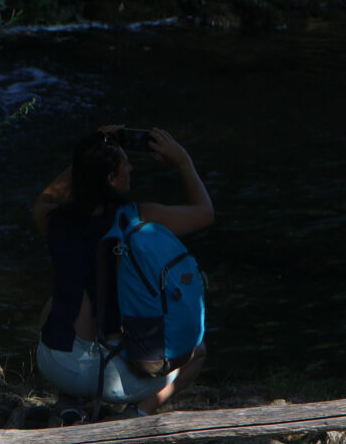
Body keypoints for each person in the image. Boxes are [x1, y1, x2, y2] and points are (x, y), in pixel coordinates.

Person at [30, 126, 214, 416]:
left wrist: (85, 161)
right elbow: (205, 212)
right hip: (107, 378)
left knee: (55, 303)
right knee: (198, 352)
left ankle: (70, 401)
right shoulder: (137, 217)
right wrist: (183, 161)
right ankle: (138, 412)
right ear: (111, 178)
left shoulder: (55, 219)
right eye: (124, 163)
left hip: (55, 365)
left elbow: (46, 199)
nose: (131, 166)